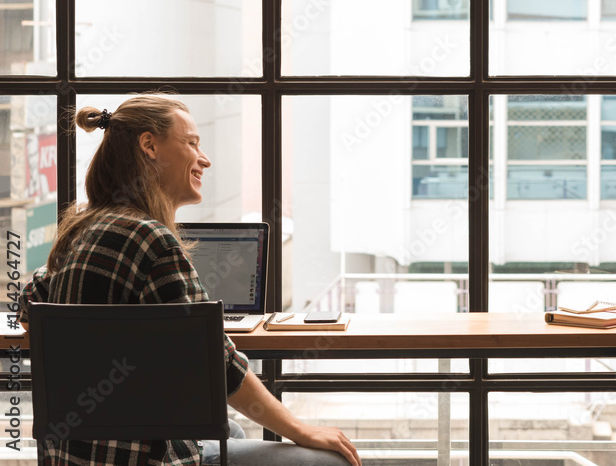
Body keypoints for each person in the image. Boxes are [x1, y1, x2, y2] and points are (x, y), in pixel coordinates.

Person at [18, 95, 360, 466]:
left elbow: (31, 299)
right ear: (149, 145)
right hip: (146, 458)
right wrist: (302, 430)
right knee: (329, 462)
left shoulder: (82, 230)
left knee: (233, 430)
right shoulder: (153, 240)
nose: (205, 158)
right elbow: (220, 367)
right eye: (192, 143)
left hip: (73, 456)